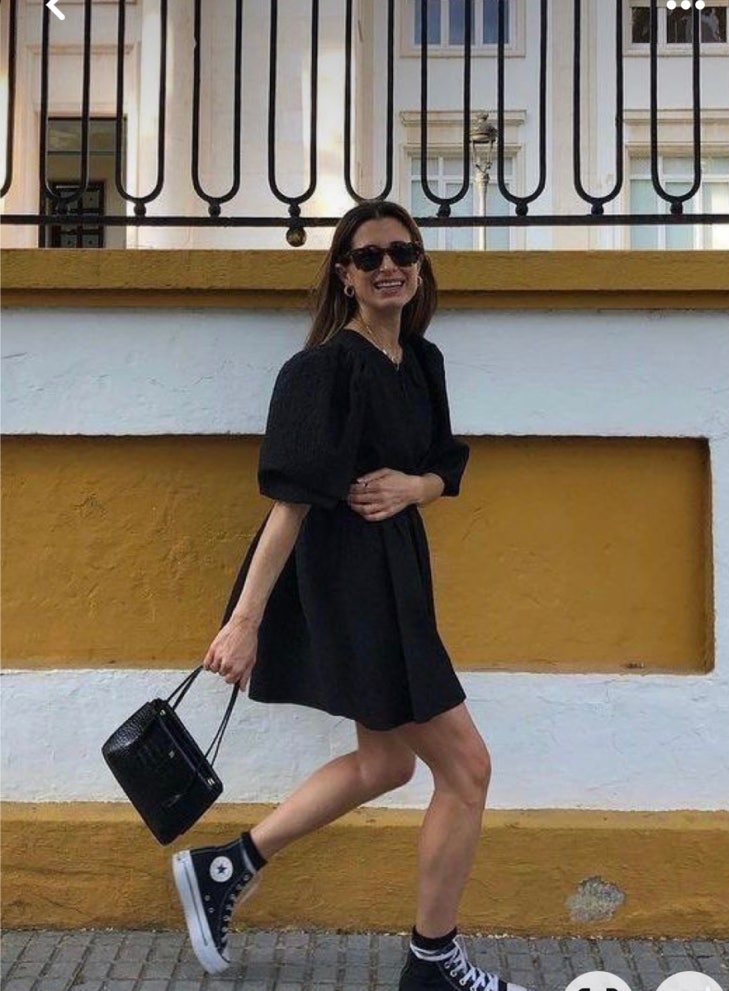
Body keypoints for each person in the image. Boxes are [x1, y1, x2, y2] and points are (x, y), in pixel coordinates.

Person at [171, 201, 531, 991]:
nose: (388, 266)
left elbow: (442, 464)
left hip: (399, 573)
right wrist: (243, 621)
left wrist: (414, 486)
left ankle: (225, 866)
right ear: (344, 275)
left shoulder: (421, 362)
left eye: (402, 252)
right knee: (467, 768)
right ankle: (433, 962)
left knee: (386, 761)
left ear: (420, 265)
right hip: (349, 585)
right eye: (368, 257)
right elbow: (289, 505)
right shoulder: (321, 371)